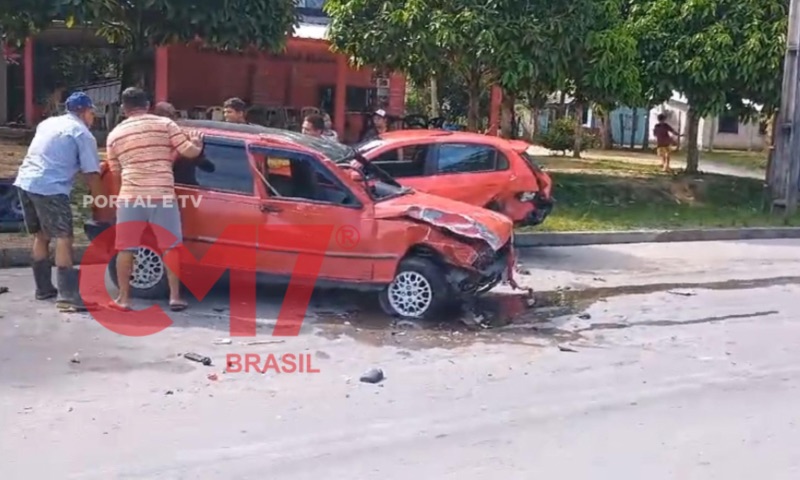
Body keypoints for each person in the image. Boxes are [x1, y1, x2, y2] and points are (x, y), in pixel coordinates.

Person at [106, 87, 204, 312]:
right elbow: (189, 152)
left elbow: (115, 173)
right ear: (148, 105)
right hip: (162, 195)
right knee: (170, 247)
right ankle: (175, 297)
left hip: (131, 197)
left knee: (125, 248)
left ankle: (123, 299)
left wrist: (119, 199)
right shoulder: (166, 124)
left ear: (123, 109)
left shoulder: (114, 135)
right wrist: (197, 144)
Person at [13, 91, 104, 312]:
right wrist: (102, 201)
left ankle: (43, 289)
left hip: (25, 182)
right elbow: (91, 174)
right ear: (84, 112)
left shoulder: (48, 123)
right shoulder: (82, 134)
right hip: (51, 187)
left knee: (42, 235)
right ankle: (68, 297)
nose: (92, 117)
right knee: (64, 237)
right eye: (92, 113)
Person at [153, 101, 216, 185]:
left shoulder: (188, 137)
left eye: (171, 115)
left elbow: (210, 168)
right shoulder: (149, 139)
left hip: (184, 187)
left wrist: (195, 151)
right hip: (159, 187)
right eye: (165, 116)